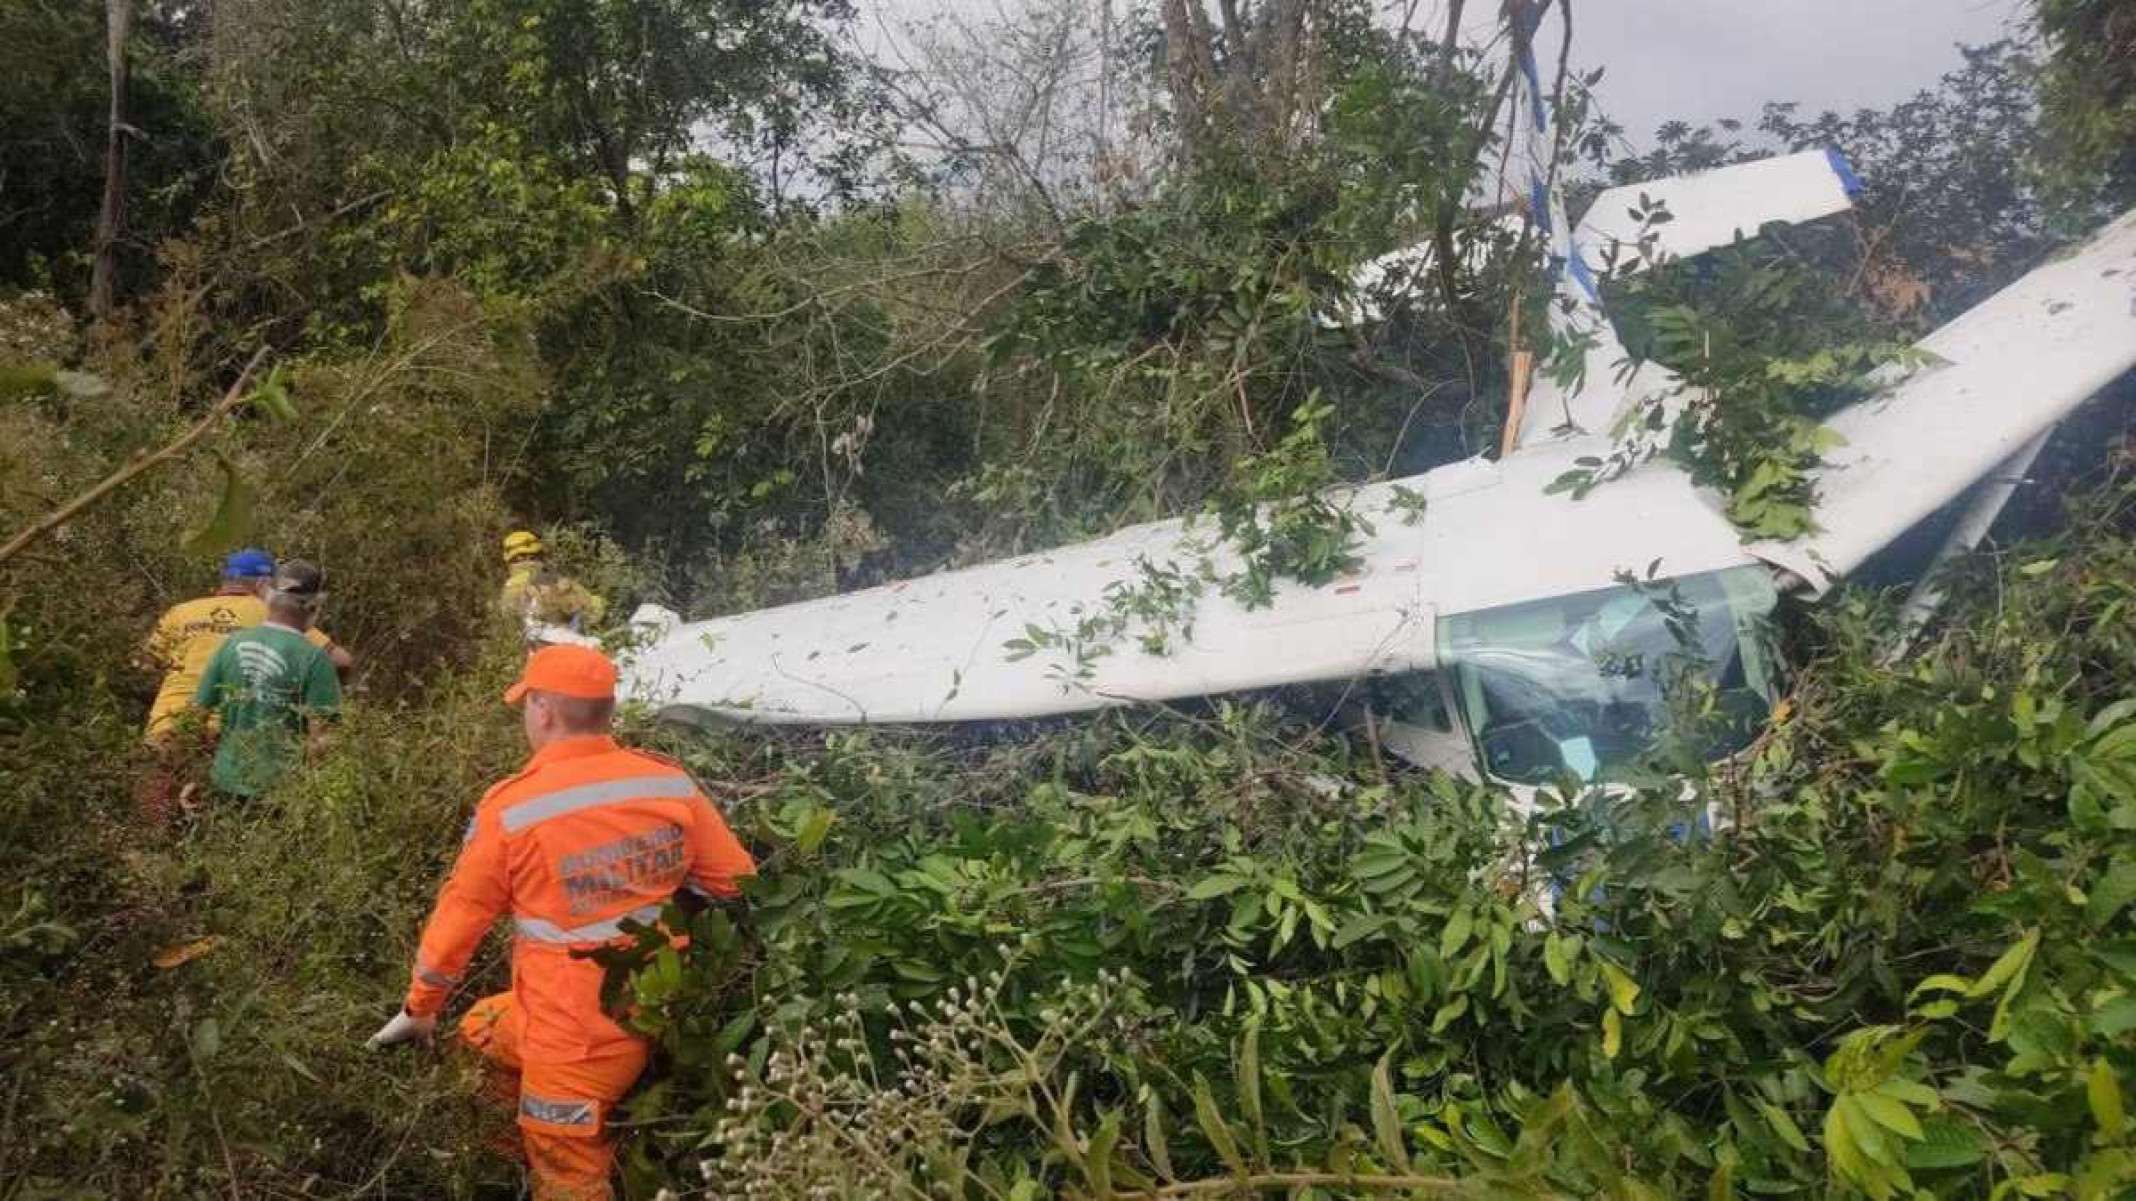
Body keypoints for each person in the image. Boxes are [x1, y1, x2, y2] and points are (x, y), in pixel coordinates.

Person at [367, 644, 755, 1201]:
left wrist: (419, 1008)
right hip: (655, 1007)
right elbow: (735, 881)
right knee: (479, 1033)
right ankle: (518, 1159)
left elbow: (461, 917)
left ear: (543, 710)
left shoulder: (512, 809)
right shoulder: (668, 783)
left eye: (527, 706)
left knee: (571, 1180)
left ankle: (551, 1159)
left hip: (572, 1040)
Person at [136, 548, 350, 823]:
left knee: (154, 823)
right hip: (229, 739)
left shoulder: (181, 612)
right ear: (263, 584)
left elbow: (141, 666)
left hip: (168, 726)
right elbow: (342, 661)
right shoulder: (274, 615)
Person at [191, 559, 344, 799]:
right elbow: (322, 742)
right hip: (282, 794)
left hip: (224, 783)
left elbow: (194, 717)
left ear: (269, 597)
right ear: (314, 605)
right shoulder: (316, 660)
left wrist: (194, 777)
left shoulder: (231, 644)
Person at [498, 530, 606, 641]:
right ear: (540, 555)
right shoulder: (557, 581)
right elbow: (594, 612)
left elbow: (506, 623)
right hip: (569, 645)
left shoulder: (508, 589)